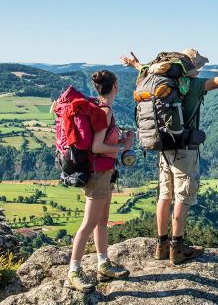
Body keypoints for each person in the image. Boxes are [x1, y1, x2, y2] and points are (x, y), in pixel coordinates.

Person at [121, 49, 218, 264]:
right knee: (182, 197)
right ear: (192, 69)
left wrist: (136, 65)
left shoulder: (160, 82)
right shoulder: (192, 86)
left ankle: (161, 244)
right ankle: (177, 248)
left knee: (164, 195)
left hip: (162, 146)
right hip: (184, 149)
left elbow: (146, 71)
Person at [67, 70, 134, 291]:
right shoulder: (104, 112)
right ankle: (74, 271)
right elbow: (97, 147)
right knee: (88, 223)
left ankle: (103, 264)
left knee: (102, 219)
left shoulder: (104, 111)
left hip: (104, 174)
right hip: (97, 174)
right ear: (115, 86)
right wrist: (122, 146)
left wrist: (121, 140)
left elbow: (103, 141)